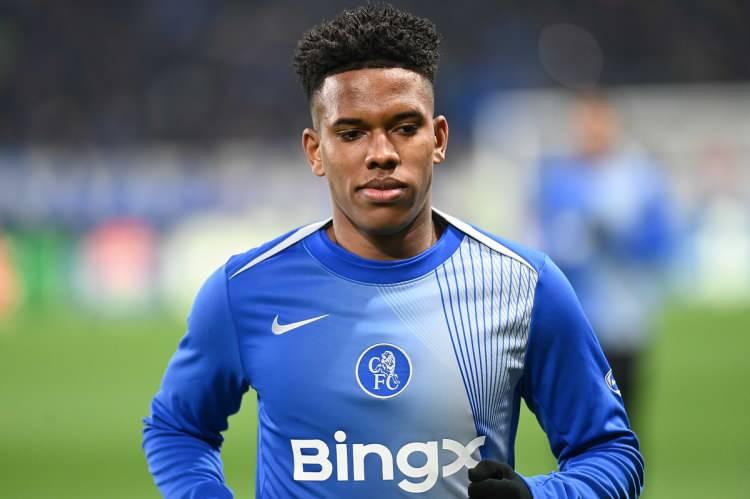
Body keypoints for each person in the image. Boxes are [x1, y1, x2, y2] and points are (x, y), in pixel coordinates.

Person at [143, 5, 644, 498]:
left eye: (404, 127)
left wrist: (538, 497)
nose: (381, 153)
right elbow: (177, 428)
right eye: (351, 133)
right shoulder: (245, 289)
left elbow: (610, 452)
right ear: (316, 151)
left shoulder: (524, 286)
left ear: (439, 139)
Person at [535, 92, 675, 422]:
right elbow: (546, 245)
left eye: (598, 124)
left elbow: (661, 243)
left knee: (625, 415)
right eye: (585, 124)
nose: (591, 132)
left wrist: (622, 237)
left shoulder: (639, 177)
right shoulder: (558, 180)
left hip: (626, 316)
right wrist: (575, 244)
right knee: (578, 418)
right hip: (577, 317)